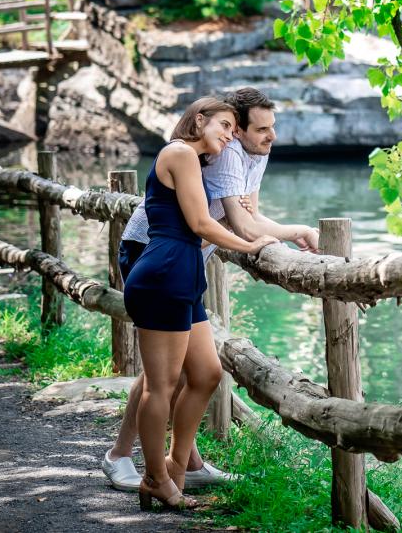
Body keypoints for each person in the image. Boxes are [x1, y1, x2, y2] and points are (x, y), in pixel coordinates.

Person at [102, 87, 318, 493]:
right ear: (228, 128)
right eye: (258, 129)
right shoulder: (217, 154)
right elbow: (239, 226)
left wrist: (293, 232)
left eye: (272, 128)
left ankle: (183, 462)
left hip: (184, 264)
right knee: (162, 375)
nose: (270, 137)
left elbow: (251, 215)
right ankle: (125, 457)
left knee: (193, 371)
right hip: (152, 252)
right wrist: (277, 239)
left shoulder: (253, 152)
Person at [121, 97, 278, 511]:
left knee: (207, 373)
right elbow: (200, 223)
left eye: (232, 128)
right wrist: (249, 243)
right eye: (224, 125)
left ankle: (176, 466)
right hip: (164, 272)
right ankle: (156, 479)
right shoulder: (179, 153)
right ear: (199, 120)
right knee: (161, 387)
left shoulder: (195, 161)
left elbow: (210, 221)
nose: (229, 134)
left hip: (183, 272)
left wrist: (243, 218)